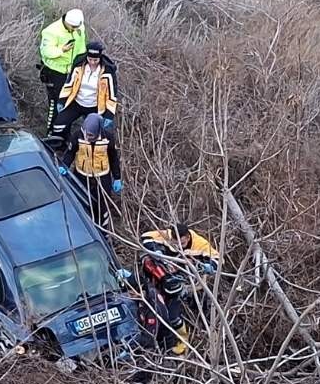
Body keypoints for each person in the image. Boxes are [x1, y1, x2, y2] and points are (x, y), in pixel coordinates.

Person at [140, 223, 221, 356]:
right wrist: (156, 250)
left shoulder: (200, 244)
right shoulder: (167, 235)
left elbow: (218, 260)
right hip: (169, 274)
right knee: (148, 260)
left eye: (181, 242)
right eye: (175, 242)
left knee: (183, 312)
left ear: (187, 237)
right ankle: (164, 282)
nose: (178, 245)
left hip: (192, 281)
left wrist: (209, 266)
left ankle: (190, 338)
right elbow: (146, 237)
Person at [58, 112, 123, 228]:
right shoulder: (77, 136)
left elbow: (113, 159)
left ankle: (103, 230)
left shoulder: (107, 138)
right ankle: (83, 225)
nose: (88, 138)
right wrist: (64, 165)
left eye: (91, 136)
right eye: (87, 134)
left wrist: (117, 177)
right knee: (81, 201)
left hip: (102, 175)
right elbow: (70, 153)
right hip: (82, 175)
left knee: (102, 206)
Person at [51, 41, 119, 147]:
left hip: (95, 106)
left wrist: (109, 114)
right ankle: (62, 145)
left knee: (96, 131)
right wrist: (62, 100)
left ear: (100, 58)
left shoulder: (107, 71)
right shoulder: (79, 65)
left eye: (95, 60)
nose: (92, 62)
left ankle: (89, 148)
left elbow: (112, 94)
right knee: (58, 125)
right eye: (90, 59)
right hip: (76, 102)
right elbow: (69, 84)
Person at [38, 8, 85, 135]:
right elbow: (46, 52)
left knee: (69, 103)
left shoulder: (79, 28)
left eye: (77, 26)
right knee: (56, 104)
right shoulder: (51, 32)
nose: (75, 29)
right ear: (66, 21)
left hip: (72, 72)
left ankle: (64, 134)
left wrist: (81, 64)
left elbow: (81, 47)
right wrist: (61, 50)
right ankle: (51, 134)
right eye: (73, 26)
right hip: (55, 73)